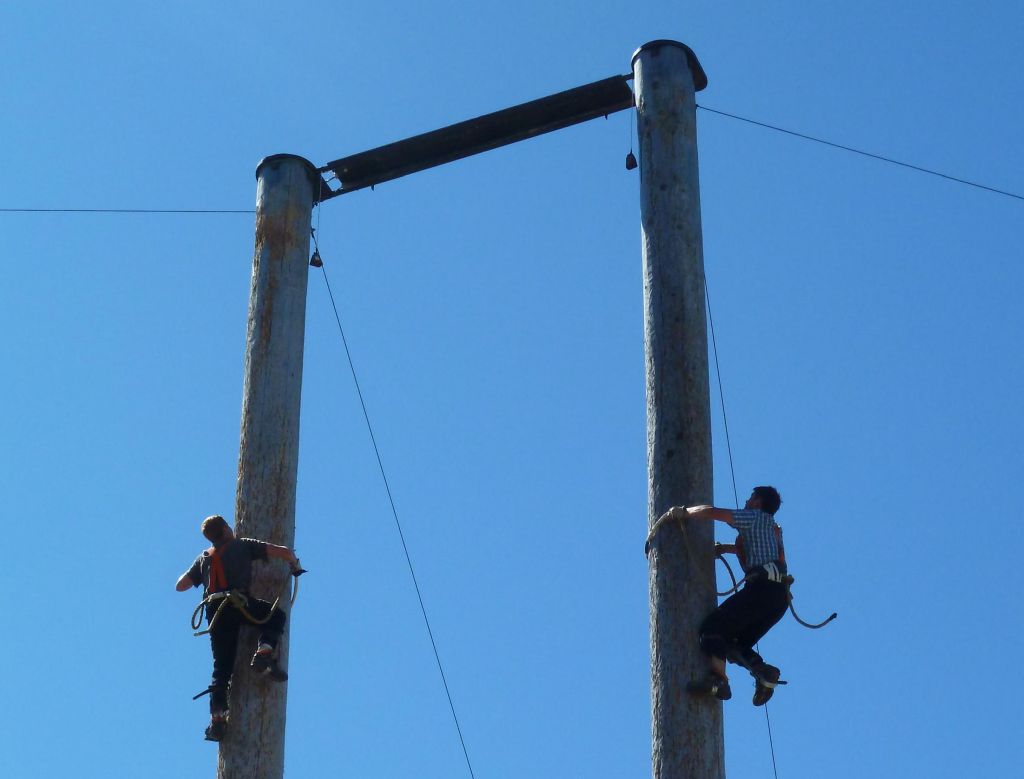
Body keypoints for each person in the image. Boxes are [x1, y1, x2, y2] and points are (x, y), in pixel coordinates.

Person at [659, 486, 788, 706]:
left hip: (760, 590)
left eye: (751, 498)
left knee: (712, 631)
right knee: (735, 643)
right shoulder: (773, 529)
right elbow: (768, 554)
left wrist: (682, 512)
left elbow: (712, 511)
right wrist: (724, 549)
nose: (747, 501)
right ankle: (764, 673)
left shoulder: (752, 517)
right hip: (779, 598)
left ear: (758, 503)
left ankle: (718, 681)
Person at [176, 515, 300, 741]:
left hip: (214, 611)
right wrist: (294, 562)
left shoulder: (204, 558)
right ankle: (263, 653)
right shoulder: (241, 545)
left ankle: (218, 719)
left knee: (221, 668)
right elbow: (281, 551)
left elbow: (180, 585)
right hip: (236, 602)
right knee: (275, 616)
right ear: (225, 529)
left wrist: (202, 573)